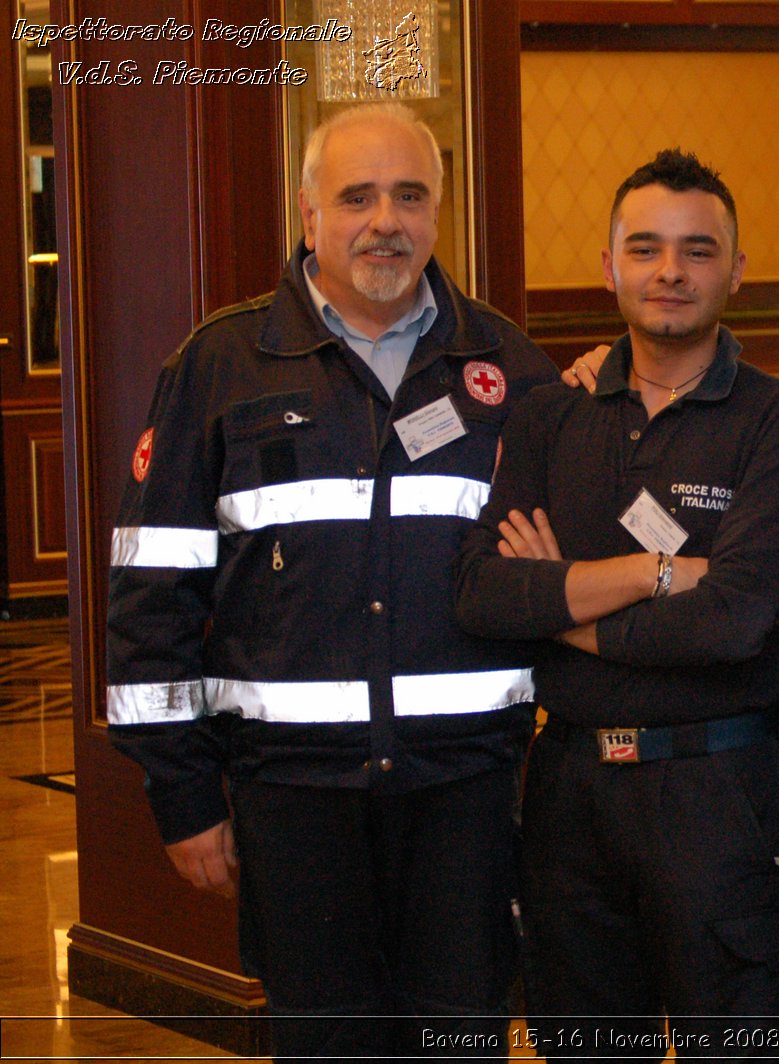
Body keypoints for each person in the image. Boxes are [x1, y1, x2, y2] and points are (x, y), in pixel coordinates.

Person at [104, 102, 557, 1061]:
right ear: (309, 216)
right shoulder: (218, 368)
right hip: (292, 806)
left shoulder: (510, 369)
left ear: (439, 216)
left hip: (468, 801)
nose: (383, 221)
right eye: (356, 197)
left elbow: (553, 583)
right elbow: (152, 600)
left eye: (408, 195)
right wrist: (182, 798)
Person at [454, 148, 779, 1060]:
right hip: (569, 794)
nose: (671, 271)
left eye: (699, 250)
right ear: (610, 265)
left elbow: (734, 620)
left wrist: (562, 608)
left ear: (737, 271)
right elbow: (485, 594)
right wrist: (659, 571)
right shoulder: (548, 416)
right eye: (648, 247)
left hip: (716, 791)